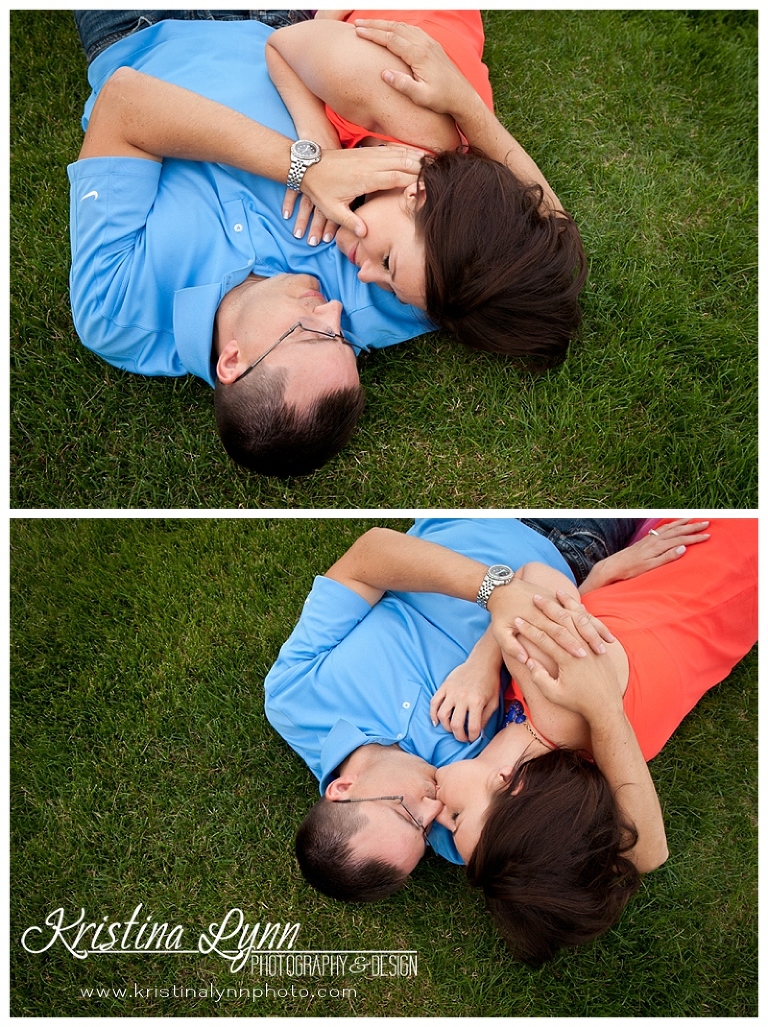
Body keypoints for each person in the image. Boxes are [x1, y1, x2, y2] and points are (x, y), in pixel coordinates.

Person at [263, 517, 708, 900]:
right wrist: (591, 584)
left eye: (405, 811)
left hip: (466, 524)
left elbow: (369, 557)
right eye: (423, 832)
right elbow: (640, 850)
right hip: (570, 555)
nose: (433, 810)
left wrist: (494, 603)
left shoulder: (293, 699)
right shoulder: (465, 821)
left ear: (342, 789)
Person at [69, 11, 429, 477]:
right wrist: (468, 108)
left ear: (233, 360)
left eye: (314, 332)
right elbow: (535, 251)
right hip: (288, 25)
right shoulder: (377, 278)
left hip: (141, 32)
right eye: (343, 339)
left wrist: (304, 170)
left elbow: (124, 101)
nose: (336, 312)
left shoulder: (114, 310)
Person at [425, 518, 757, 965]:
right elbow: (535, 579)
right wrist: (482, 663)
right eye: (457, 817)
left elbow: (651, 854)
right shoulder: (554, 686)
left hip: (735, 598)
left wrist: (596, 583)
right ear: (511, 783)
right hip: (715, 547)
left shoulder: (604, 766)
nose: (437, 812)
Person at [265, 13, 588, 365]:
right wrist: (318, 147)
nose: (364, 275)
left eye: (389, 288)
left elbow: (553, 217)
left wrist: (469, 107)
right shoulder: (382, 87)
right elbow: (280, 44)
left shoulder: (478, 203)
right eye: (388, 261)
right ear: (417, 195)